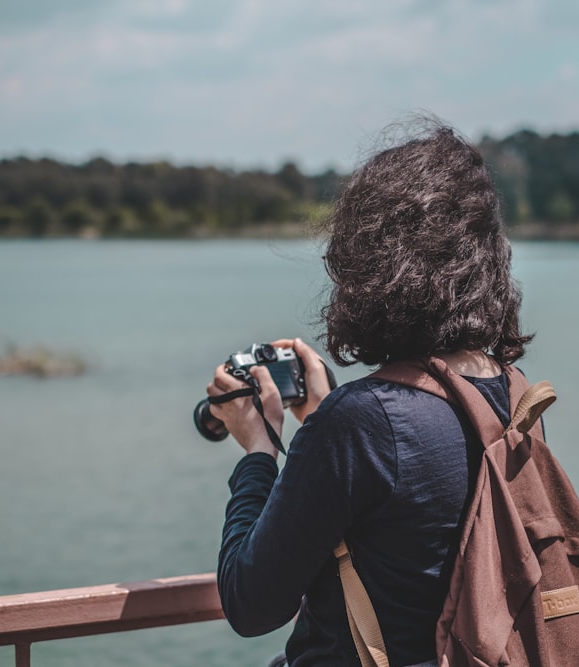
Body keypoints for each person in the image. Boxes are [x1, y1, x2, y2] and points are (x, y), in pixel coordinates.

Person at [208, 120, 532, 666]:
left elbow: (251, 604)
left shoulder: (360, 423)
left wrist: (261, 451)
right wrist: (322, 420)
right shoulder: (514, 396)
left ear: (370, 263)